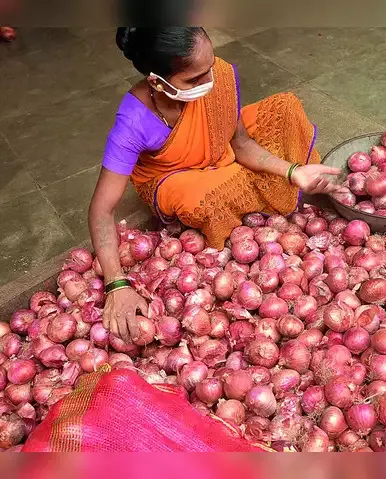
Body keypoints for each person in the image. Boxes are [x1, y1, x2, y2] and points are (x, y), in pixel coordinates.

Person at [88, 27, 342, 342]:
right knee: (204, 200)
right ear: (156, 81)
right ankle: (248, 191)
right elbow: (102, 208)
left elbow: (241, 143)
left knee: (286, 110)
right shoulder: (133, 121)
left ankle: (258, 185)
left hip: (222, 154)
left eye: (210, 69)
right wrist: (117, 284)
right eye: (194, 80)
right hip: (176, 179)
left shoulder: (217, 79)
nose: (209, 82)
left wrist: (292, 171)